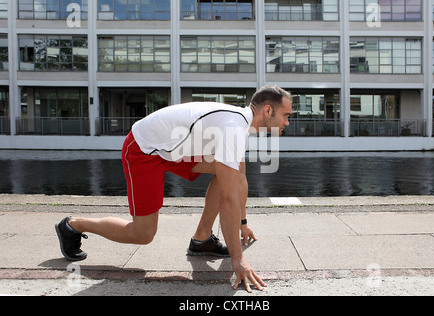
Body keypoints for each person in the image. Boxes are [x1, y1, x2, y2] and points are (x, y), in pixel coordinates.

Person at [55, 85, 292, 292]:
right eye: (286, 115)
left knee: (229, 173)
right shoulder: (233, 127)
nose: (287, 123)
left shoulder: (240, 124)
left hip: (172, 149)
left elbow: (239, 180)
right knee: (143, 234)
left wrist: (243, 222)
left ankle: (202, 239)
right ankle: (72, 225)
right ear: (268, 111)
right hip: (143, 150)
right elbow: (229, 199)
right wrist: (238, 260)